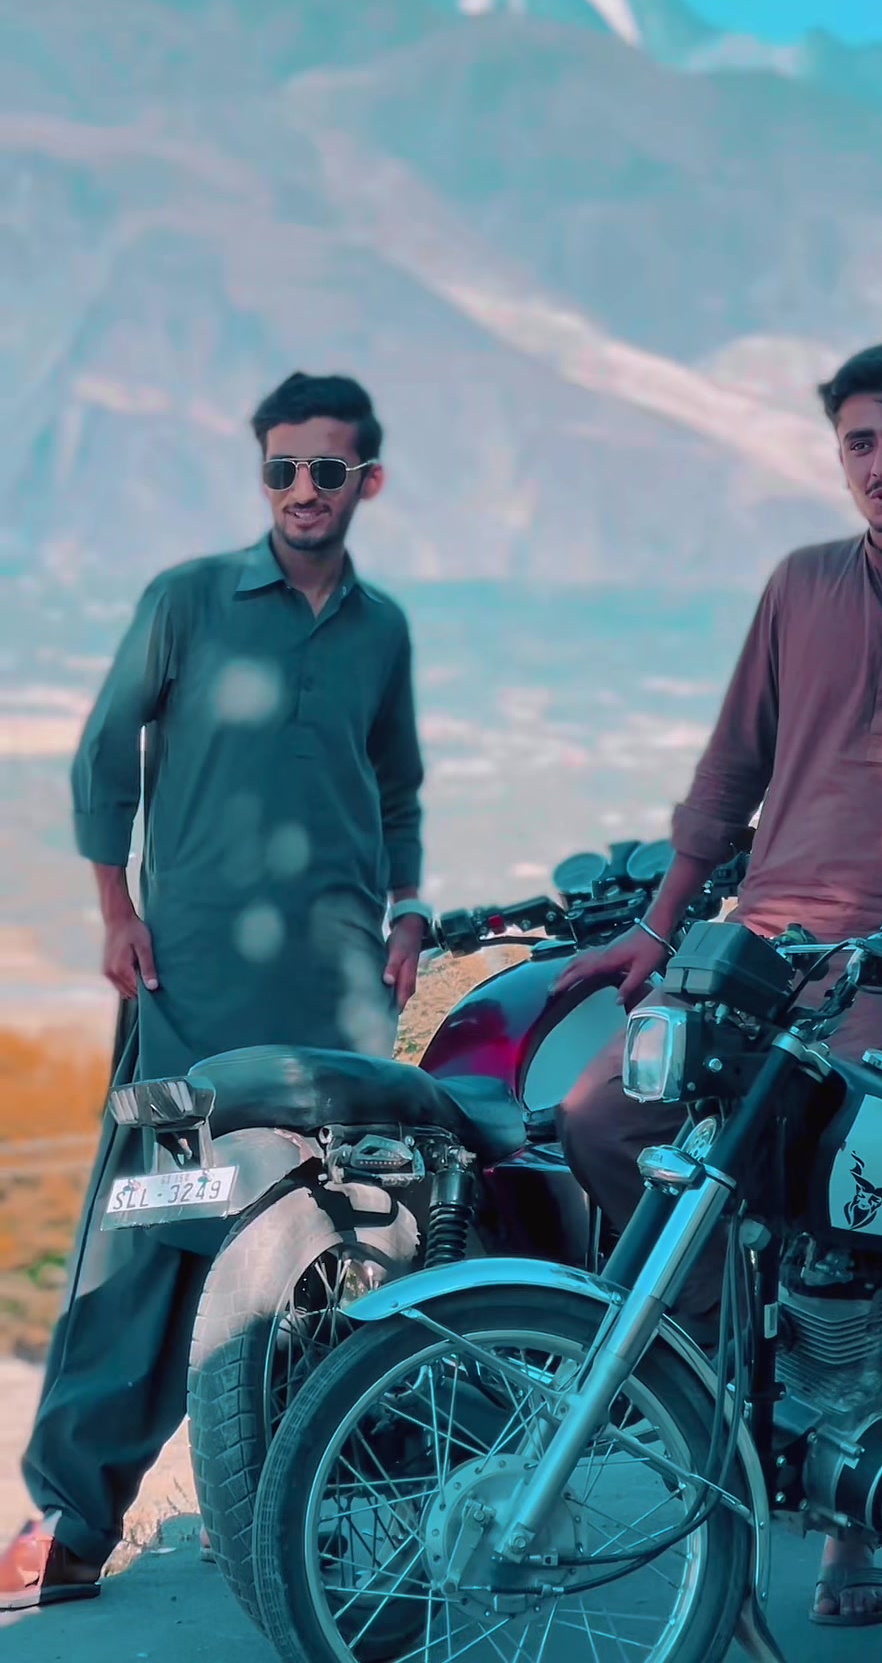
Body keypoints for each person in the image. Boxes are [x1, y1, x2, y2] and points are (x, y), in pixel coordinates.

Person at [554, 338, 882, 1631]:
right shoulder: (798, 586)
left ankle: (852, 1531)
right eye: (860, 442)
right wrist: (663, 928)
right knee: (599, 1119)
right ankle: (722, 1383)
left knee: (855, 1225)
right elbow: (730, 770)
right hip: (767, 947)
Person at [1, 372, 429, 1611]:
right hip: (189, 981)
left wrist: (408, 911)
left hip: (336, 995)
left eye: (326, 470)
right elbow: (102, 763)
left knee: (343, 1248)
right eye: (281, 468)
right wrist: (116, 916)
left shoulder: (382, 630)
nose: (301, 490)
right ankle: (73, 1523)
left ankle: (322, 1511)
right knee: (148, 1238)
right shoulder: (186, 601)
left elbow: (395, 787)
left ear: (366, 482)